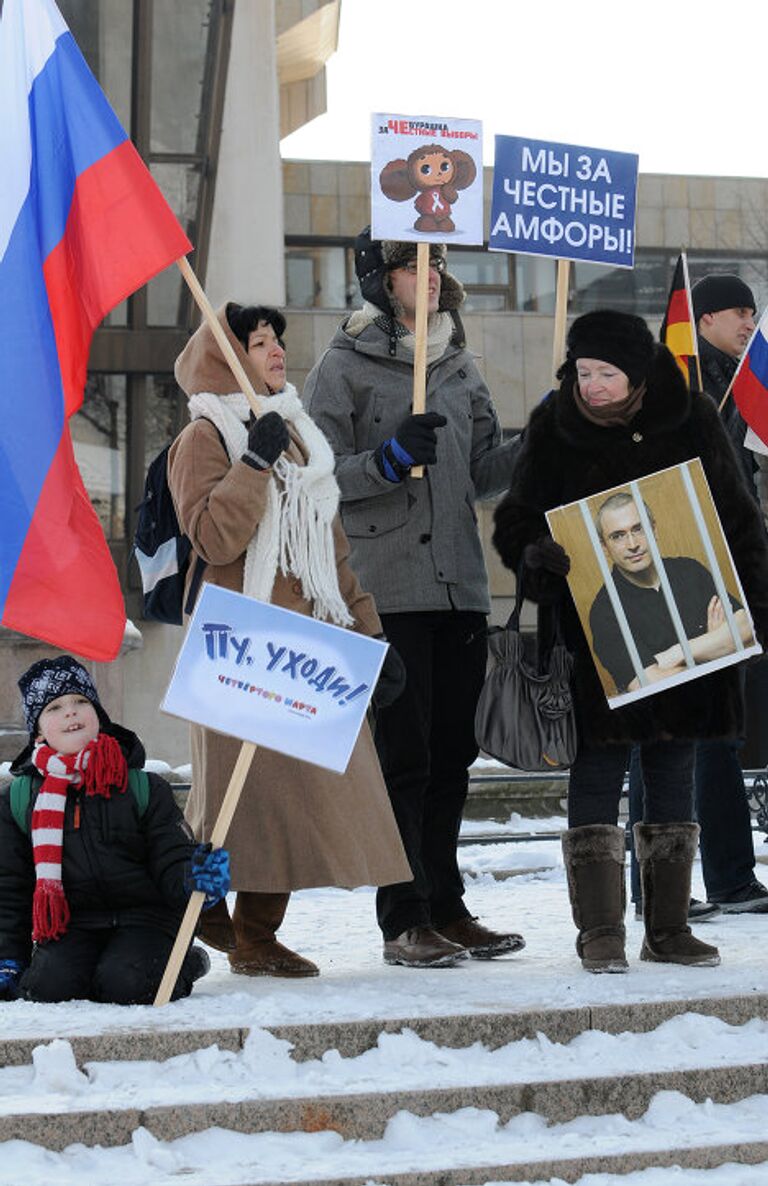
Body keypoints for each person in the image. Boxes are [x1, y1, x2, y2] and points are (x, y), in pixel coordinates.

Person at [492, 309, 768, 974]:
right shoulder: (554, 427)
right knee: (596, 774)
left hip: (687, 623)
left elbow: (735, 513)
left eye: (605, 374)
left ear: (637, 372)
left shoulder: (692, 416)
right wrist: (534, 553)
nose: (591, 386)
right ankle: (601, 931)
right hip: (594, 641)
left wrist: (754, 605)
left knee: (673, 771)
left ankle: (668, 926)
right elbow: (514, 518)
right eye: (583, 372)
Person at [167, 301, 412, 979]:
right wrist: (251, 464)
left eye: (277, 341)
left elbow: (331, 552)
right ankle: (216, 917)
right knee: (237, 799)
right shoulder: (202, 439)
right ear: (227, 360)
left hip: (305, 642)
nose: (277, 353)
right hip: (239, 641)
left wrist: (372, 633)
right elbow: (213, 537)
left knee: (297, 796)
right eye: (260, 343)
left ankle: (251, 929)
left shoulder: (298, 437)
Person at [303, 227, 524, 969]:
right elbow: (317, 475)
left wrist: (541, 443)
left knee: (453, 754)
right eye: (410, 264)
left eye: (435, 264)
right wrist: (389, 460)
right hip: (385, 586)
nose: (429, 277)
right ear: (379, 278)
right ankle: (403, 917)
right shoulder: (343, 365)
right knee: (407, 758)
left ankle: (447, 907)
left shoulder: (460, 366)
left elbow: (485, 473)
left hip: (460, 585)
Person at [0, 656, 227, 1004]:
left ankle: (184, 962)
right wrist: (9, 959)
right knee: (46, 990)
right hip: (72, 924)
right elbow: (10, 885)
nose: (71, 712)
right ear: (38, 731)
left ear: (99, 717)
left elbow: (172, 855)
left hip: (147, 918)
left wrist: (193, 876)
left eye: (80, 702)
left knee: (129, 984)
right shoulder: (20, 799)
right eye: (55, 707)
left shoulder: (144, 787)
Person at [589, 491, 752, 694]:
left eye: (638, 529)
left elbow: (745, 627)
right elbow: (646, 683)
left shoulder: (690, 570)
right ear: (604, 547)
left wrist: (678, 653)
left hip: (730, 693)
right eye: (618, 536)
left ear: (654, 530)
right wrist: (715, 648)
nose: (632, 545)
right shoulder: (604, 612)